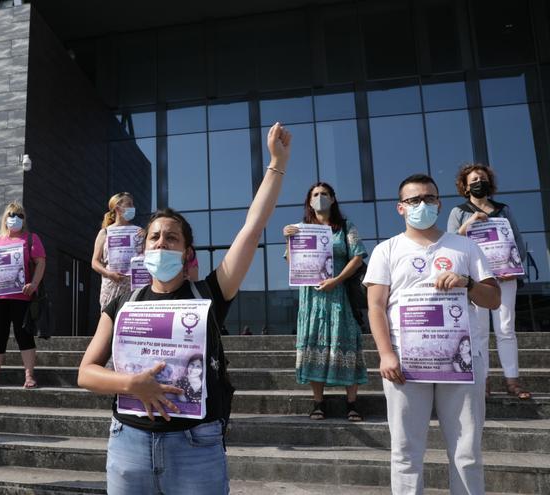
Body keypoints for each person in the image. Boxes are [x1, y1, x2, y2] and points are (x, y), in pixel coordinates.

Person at [78, 123, 292, 495]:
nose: (162, 243)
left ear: (186, 252)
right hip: (128, 444)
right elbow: (86, 372)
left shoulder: (209, 293)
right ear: (142, 252)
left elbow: (252, 228)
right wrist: (130, 384)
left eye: (172, 237)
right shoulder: (122, 302)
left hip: (197, 447)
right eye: (154, 237)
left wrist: (277, 163)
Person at [364, 174, 500, 494]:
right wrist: (386, 354)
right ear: (400, 208)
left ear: (439, 203)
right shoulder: (387, 250)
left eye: (428, 198)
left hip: (461, 360)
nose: (422, 205)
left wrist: (467, 283)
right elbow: (375, 307)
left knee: (467, 453)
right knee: (405, 453)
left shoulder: (465, 246)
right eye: (414, 200)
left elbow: (493, 299)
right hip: (405, 363)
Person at [282, 182, 368, 422]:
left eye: (324, 194)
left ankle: (352, 403)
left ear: (333, 199)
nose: (320, 198)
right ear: (309, 202)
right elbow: (293, 264)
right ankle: (318, 403)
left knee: (348, 343)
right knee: (313, 346)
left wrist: (337, 280)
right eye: (315, 195)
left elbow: (358, 256)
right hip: (312, 299)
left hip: (340, 294)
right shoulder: (301, 229)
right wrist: (289, 240)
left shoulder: (345, 227)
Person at [447, 163, 530, 400]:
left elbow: (518, 242)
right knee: (480, 330)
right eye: (473, 180)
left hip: (505, 277)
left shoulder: (503, 210)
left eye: (482, 178)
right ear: (465, 186)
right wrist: (470, 222)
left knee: (506, 328)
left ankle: (512, 380)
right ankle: (482, 381)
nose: (478, 182)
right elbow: (451, 243)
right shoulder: (459, 211)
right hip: (477, 280)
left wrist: (513, 266)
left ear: (489, 183)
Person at [0, 202, 46, 389]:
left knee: (24, 335)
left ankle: (29, 376)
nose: (15, 218)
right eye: (11, 215)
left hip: (22, 295)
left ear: (24, 220)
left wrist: (34, 284)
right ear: (5, 218)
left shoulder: (31, 238)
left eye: (20, 216)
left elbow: (40, 263)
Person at [91, 192, 144, 308]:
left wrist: (147, 237)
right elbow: (94, 262)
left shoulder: (138, 232)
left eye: (133, 205)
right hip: (111, 284)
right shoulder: (105, 232)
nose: (133, 208)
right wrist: (109, 274)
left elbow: (145, 257)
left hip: (133, 284)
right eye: (129, 204)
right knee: (109, 318)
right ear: (117, 208)